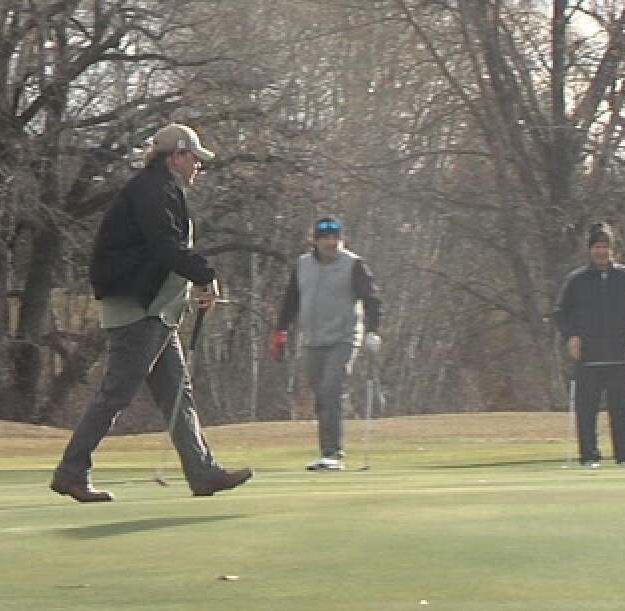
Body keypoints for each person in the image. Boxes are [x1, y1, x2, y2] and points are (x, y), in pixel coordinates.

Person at [49, 123, 253, 501]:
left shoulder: (158, 187)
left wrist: (195, 281)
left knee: (178, 393)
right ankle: (71, 471)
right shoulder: (154, 190)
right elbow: (165, 245)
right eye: (194, 158)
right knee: (115, 394)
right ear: (176, 155)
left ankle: (202, 472)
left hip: (155, 311)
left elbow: (165, 249)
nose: (198, 167)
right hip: (139, 310)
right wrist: (205, 276)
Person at [269, 217, 383, 470]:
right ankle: (326, 452)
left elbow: (371, 299)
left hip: (343, 338)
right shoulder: (303, 265)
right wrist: (280, 330)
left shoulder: (353, 265)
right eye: (325, 238)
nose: (331, 243)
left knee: (332, 389)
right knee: (321, 395)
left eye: (335, 238)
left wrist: (373, 331)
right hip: (311, 340)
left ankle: (333, 453)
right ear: (316, 240)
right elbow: (291, 300)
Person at [552, 222, 625, 468]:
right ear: (590, 250)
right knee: (587, 409)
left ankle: (624, 456)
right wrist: (571, 336)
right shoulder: (577, 280)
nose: (601, 251)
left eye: (605, 246)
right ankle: (589, 456)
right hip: (588, 357)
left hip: (618, 355)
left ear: (612, 249)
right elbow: (561, 312)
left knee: (620, 410)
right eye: (596, 246)